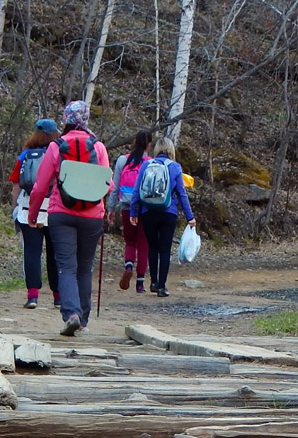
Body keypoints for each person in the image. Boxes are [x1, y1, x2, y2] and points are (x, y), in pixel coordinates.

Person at [28, 100, 112, 335]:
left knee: (66, 267)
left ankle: (71, 313)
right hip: (92, 216)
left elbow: (40, 186)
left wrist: (33, 215)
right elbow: (109, 185)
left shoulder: (56, 146)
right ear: (86, 119)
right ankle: (82, 320)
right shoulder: (99, 148)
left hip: (61, 213)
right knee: (84, 268)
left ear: (65, 119)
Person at [127, 136, 195, 298]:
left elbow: (137, 190)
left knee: (152, 247)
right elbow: (181, 193)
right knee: (165, 250)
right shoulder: (175, 167)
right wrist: (189, 216)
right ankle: (162, 287)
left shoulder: (146, 164)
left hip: (148, 212)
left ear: (156, 149)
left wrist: (133, 212)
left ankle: (153, 282)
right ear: (171, 150)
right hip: (168, 213)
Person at [11, 119, 60, 309]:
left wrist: (15, 207)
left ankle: (32, 296)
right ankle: (58, 297)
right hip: (53, 210)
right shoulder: (58, 154)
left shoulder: (25, 155)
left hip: (28, 208)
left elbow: (16, 185)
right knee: (55, 254)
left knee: (31, 252)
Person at [110, 130, 152, 293]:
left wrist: (111, 209)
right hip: (146, 208)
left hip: (126, 206)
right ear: (149, 144)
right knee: (143, 245)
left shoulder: (122, 160)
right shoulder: (150, 163)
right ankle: (140, 283)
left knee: (130, 242)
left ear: (134, 142)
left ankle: (128, 266)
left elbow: (115, 187)